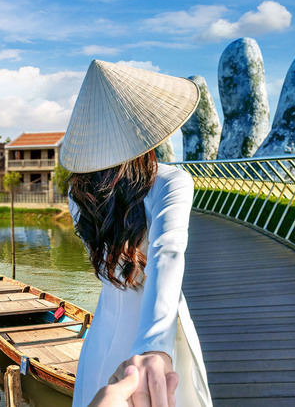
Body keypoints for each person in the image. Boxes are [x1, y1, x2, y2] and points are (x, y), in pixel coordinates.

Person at [60, 60, 212, 407]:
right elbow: (167, 254)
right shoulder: (173, 181)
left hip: (102, 338)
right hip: (156, 342)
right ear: (146, 129)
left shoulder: (78, 195)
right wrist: (154, 347)